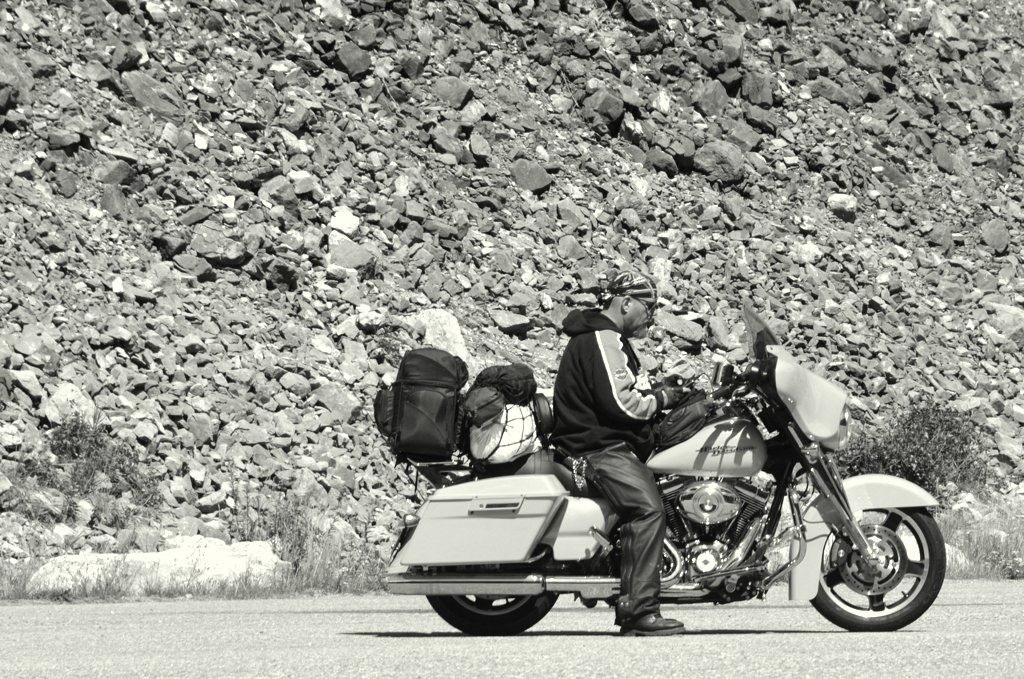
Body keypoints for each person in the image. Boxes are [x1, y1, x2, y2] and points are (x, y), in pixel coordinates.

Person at [550, 270, 689, 636]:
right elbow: (621, 404)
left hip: (604, 443)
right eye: (648, 306)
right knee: (647, 509)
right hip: (594, 449)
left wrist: (661, 392)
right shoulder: (602, 338)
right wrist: (662, 399)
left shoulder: (605, 338)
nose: (651, 315)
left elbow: (620, 391)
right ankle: (639, 611)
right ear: (625, 302)